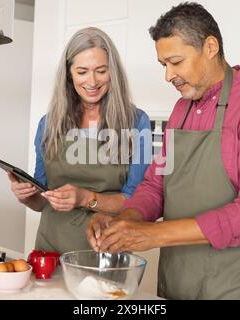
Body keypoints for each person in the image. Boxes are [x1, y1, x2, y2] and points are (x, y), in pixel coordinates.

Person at [86, 2, 240, 300]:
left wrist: (153, 234)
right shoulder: (182, 109)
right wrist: (126, 220)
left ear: (210, 46)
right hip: (181, 277)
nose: (168, 75)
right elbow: (156, 185)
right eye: (163, 65)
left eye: (175, 62)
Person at [9, 27, 151, 255]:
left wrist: (86, 198)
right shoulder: (49, 124)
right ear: (69, 74)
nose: (92, 81)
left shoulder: (136, 122)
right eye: (82, 71)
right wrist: (27, 196)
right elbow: (42, 202)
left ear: (112, 72)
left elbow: (136, 201)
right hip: (50, 250)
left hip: (105, 249)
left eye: (101, 71)